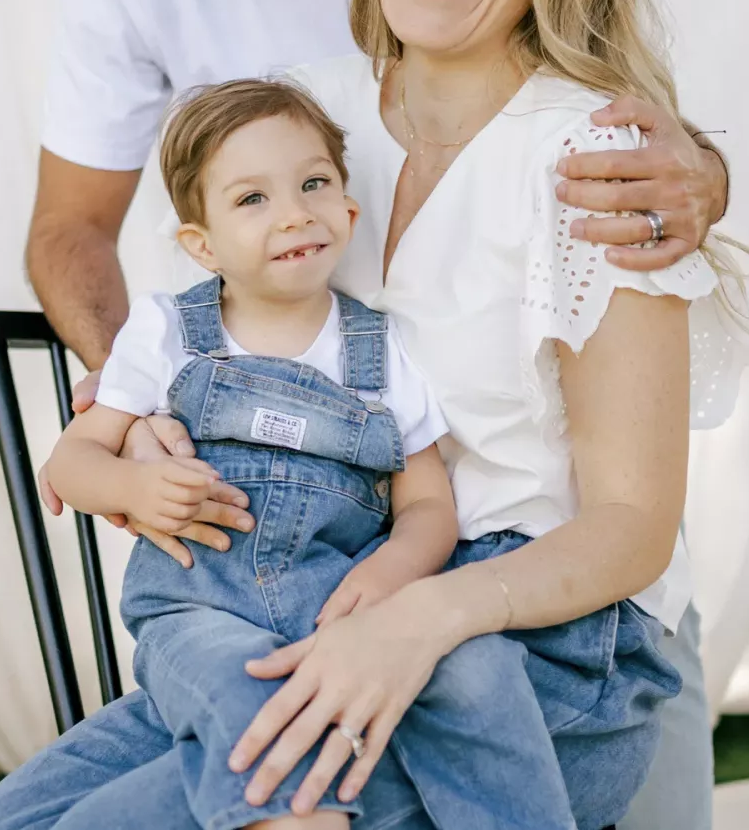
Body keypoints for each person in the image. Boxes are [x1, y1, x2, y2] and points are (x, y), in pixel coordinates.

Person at [0, 0, 731, 829]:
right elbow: (106, 249)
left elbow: (631, 521)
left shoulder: (595, 158)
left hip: (525, 639)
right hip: (327, 592)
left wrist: (421, 614)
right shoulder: (309, 119)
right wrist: (142, 412)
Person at [45, 78, 464, 828]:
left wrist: (394, 568)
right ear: (201, 245)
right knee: (245, 691)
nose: (294, 212)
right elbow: (70, 465)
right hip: (195, 616)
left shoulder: (378, 350)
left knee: (268, 709)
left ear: (348, 211)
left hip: (326, 624)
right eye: (252, 199)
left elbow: (429, 502)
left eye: (313, 184)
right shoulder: (168, 332)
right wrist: (132, 489)